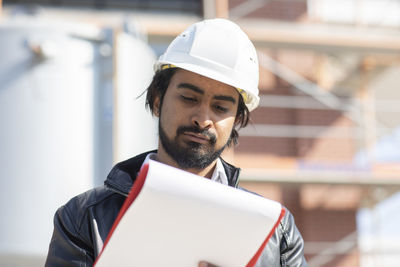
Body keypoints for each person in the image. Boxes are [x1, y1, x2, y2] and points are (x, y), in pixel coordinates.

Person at [45, 18, 307, 266]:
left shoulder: (276, 231)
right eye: (189, 99)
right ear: (158, 100)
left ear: (237, 119)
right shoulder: (83, 219)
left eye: (219, 107)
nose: (203, 119)